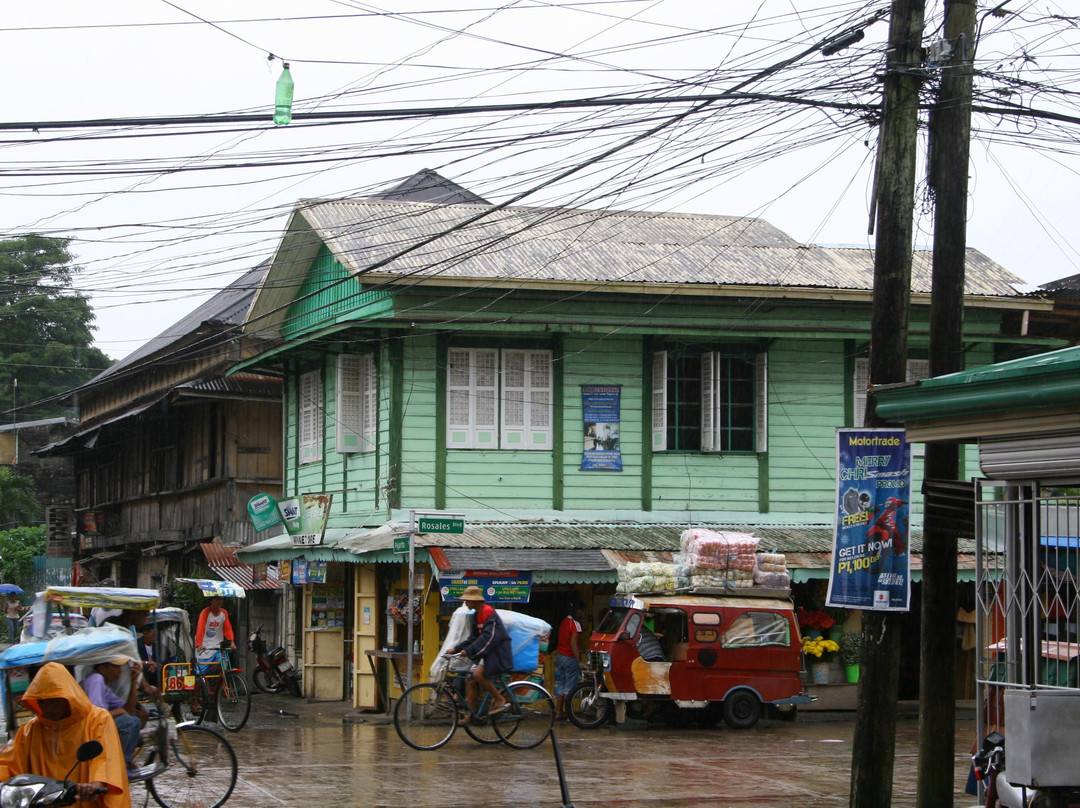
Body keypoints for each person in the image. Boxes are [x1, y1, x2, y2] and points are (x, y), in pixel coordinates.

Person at [0, 662, 128, 807]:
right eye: (42, 702)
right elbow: (10, 762)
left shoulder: (98, 719)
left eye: (54, 701)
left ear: (69, 697)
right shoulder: (30, 730)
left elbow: (105, 759)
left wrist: (93, 786)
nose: (49, 708)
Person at [451, 586, 513, 724]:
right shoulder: (476, 615)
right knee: (470, 680)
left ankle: (499, 698)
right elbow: (473, 637)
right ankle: (472, 715)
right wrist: (456, 649)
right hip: (487, 652)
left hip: (497, 652)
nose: (466, 603)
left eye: (468, 600)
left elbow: (488, 638)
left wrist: (470, 651)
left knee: (478, 674)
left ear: (475, 601)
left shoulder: (488, 612)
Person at [82, 655, 144, 772]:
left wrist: (134, 681)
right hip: (89, 729)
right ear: (102, 669)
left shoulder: (104, 686)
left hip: (99, 727)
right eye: (115, 667)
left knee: (135, 721)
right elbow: (96, 717)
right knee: (128, 722)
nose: (120, 671)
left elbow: (129, 710)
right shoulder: (96, 679)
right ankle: (120, 766)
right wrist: (119, 711)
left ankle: (126, 761)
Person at [554, 601, 585, 720]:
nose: (583, 614)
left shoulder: (564, 622)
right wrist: (579, 661)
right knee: (570, 688)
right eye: (583, 611)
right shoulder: (575, 624)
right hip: (569, 657)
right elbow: (573, 644)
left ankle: (558, 713)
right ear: (578, 611)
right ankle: (569, 716)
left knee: (561, 686)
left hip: (560, 656)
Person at [195, 595, 234, 669]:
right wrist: (199, 643)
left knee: (224, 665)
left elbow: (227, 629)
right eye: (217, 599)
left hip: (218, 646)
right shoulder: (205, 612)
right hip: (205, 646)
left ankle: (222, 679)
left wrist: (231, 641)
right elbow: (201, 628)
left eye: (221, 599)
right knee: (201, 672)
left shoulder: (224, 613)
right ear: (211, 600)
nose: (220, 601)